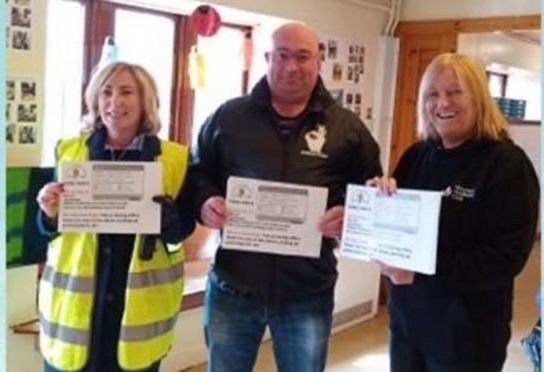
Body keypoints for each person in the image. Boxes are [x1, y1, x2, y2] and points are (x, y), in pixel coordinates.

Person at [189, 22, 382, 372]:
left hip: (307, 293)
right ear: (268, 58)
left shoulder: (347, 128)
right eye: (282, 55)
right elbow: (197, 174)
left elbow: (372, 193)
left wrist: (350, 216)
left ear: (319, 61)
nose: (292, 66)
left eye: (303, 56)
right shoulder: (228, 117)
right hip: (233, 288)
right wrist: (205, 202)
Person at [368, 53, 539, 372]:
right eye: (433, 94)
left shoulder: (507, 165)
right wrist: (375, 205)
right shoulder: (417, 156)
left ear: (478, 98)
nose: (442, 103)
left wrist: (423, 271)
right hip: (408, 325)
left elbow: (505, 259)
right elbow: (396, 233)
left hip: (468, 336)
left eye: (455, 92)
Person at [36, 62, 195, 372]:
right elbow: (45, 232)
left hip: (137, 312)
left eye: (126, 92)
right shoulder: (67, 151)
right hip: (76, 312)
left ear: (144, 100)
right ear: (95, 98)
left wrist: (168, 221)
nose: (115, 102)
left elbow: (181, 233)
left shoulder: (175, 159)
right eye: (106, 92)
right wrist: (49, 214)